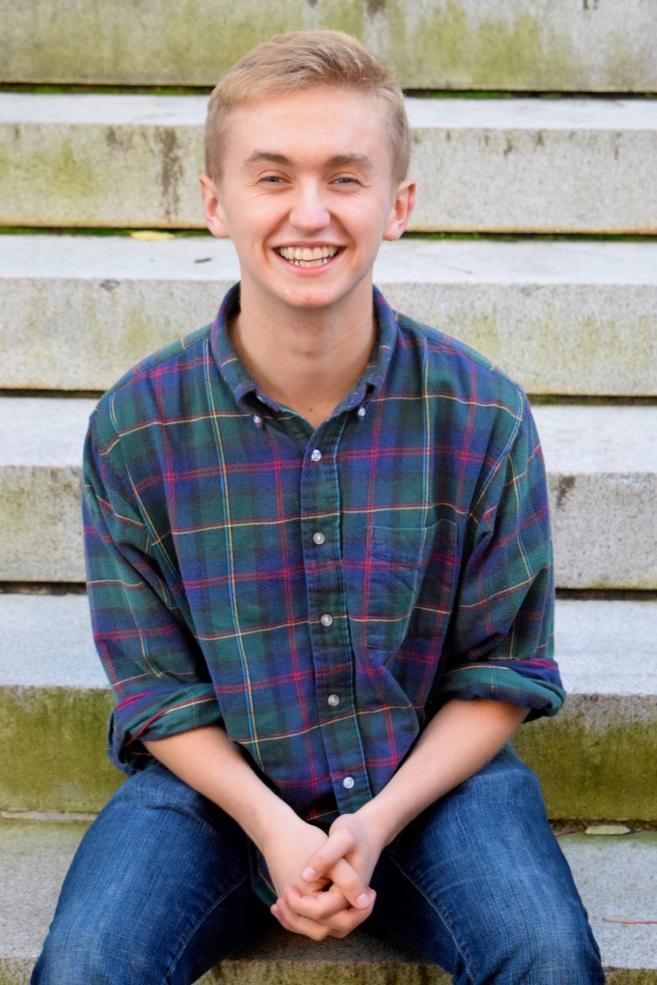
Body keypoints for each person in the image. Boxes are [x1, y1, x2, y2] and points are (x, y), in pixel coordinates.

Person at [32, 29, 605, 985]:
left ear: (399, 202)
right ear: (214, 202)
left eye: (345, 176)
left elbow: (502, 667)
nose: (310, 212)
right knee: (87, 962)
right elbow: (155, 690)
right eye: (272, 177)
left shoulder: (481, 413)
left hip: (426, 788)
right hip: (211, 797)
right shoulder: (136, 427)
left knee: (546, 954)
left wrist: (373, 823)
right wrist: (271, 827)